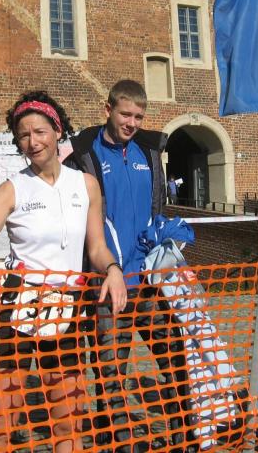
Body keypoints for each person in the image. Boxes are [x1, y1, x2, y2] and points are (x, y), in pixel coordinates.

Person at [0, 90, 127, 453]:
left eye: (39, 132)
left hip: (67, 306)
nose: (32, 142)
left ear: (57, 131)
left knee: (68, 419)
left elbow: (96, 247)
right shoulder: (12, 188)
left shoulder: (85, 184)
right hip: (18, 305)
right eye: (23, 135)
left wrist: (113, 269)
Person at [65, 79, 191, 452]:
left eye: (138, 116)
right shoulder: (83, 155)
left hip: (150, 280)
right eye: (125, 114)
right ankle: (118, 442)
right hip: (108, 284)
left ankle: (183, 437)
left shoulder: (148, 153)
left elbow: (157, 209)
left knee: (174, 360)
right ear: (108, 110)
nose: (132, 123)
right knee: (111, 371)